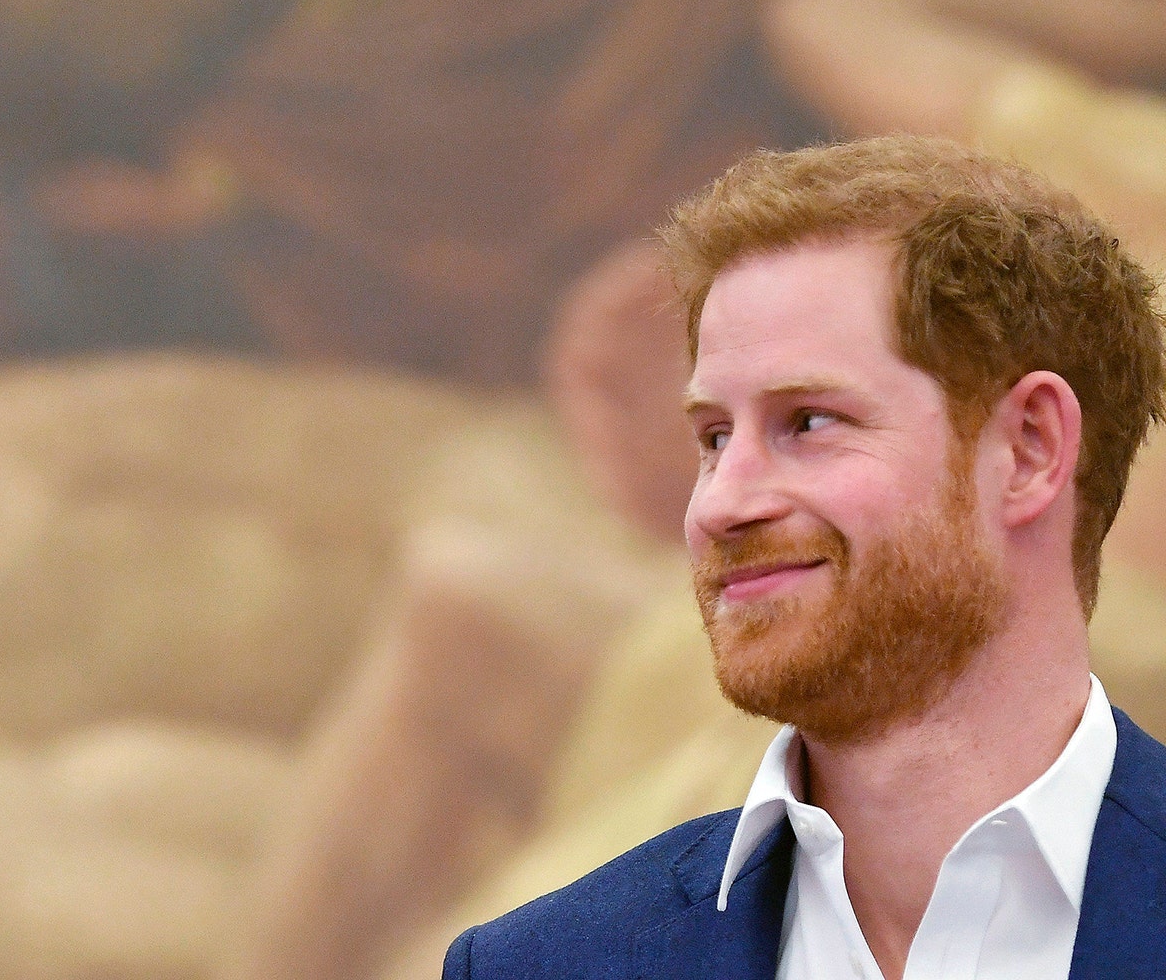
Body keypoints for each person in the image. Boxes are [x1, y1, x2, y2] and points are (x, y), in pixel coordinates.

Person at [444, 134, 1166, 978]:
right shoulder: (542, 967)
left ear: (1031, 449)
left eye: (809, 422)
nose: (719, 504)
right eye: (714, 437)